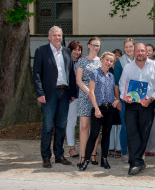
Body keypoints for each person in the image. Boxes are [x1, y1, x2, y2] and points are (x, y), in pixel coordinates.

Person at [32, 25, 76, 168]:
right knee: (48, 127)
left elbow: (71, 74)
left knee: (61, 126)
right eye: (55, 35)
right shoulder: (41, 51)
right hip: (49, 94)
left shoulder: (67, 51)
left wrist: (73, 93)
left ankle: (59, 155)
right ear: (49, 37)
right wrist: (40, 93)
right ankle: (46, 157)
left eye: (59, 35)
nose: (57, 38)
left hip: (64, 93)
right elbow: (36, 74)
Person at [119, 43, 155, 175]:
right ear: (134, 52)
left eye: (142, 51)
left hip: (148, 104)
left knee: (144, 132)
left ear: (147, 52)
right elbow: (122, 84)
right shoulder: (128, 67)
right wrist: (124, 96)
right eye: (137, 51)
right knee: (131, 131)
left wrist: (151, 99)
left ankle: (136, 162)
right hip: (131, 104)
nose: (140, 53)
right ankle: (135, 162)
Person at [78, 52, 121, 171]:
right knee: (94, 135)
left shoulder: (111, 76)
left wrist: (117, 100)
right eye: (107, 60)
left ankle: (104, 159)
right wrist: (96, 108)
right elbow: (91, 92)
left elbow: (114, 91)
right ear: (102, 60)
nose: (109, 63)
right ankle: (86, 160)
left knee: (106, 135)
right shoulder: (95, 73)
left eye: (111, 61)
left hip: (110, 109)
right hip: (98, 108)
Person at [76, 37, 102, 165]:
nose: (95, 47)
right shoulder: (81, 61)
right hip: (85, 95)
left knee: (96, 128)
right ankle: (82, 156)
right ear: (88, 45)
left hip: (97, 97)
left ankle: (92, 154)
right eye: (93, 45)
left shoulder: (101, 62)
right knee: (85, 126)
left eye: (97, 45)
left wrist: (95, 95)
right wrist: (89, 92)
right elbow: (78, 80)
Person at [113, 38, 135, 162]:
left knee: (136, 126)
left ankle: (135, 151)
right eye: (126, 47)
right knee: (125, 126)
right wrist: (118, 100)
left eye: (130, 46)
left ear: (134, 47)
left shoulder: (139, 60)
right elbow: (116, 84)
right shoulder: (119, 63)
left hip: (138, 99)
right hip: (124, 99)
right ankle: (125, 152)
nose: (128, 49)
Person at [66, 40, 82, 158]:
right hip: (72, 97)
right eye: (74, 49)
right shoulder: (66, 63)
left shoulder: (82, 63)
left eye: (79, 49)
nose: (77, 52)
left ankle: (85, 146)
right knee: (71, 122)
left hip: (84, 96)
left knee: (84, 123)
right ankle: (71, 147)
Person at [145, 43, 155, 156]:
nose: (148, 52)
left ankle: (152, 148)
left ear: (154, 52)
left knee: (153, 125)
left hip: (154, 99)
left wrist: (153, 97)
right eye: (146, 50)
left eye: (150, 50)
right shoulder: (138, 64)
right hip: (140, 100)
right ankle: (144, 147)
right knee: (143, 126)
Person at [108, 48, 123, 158]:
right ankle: (110, 147)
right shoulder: (108, 70)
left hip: (121, 99)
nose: (117, 57)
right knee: (111, 125)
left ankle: (119, 147)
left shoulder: (122, 69)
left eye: (119, 55)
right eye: (115, 55)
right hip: (110, 100)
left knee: (120, 125)